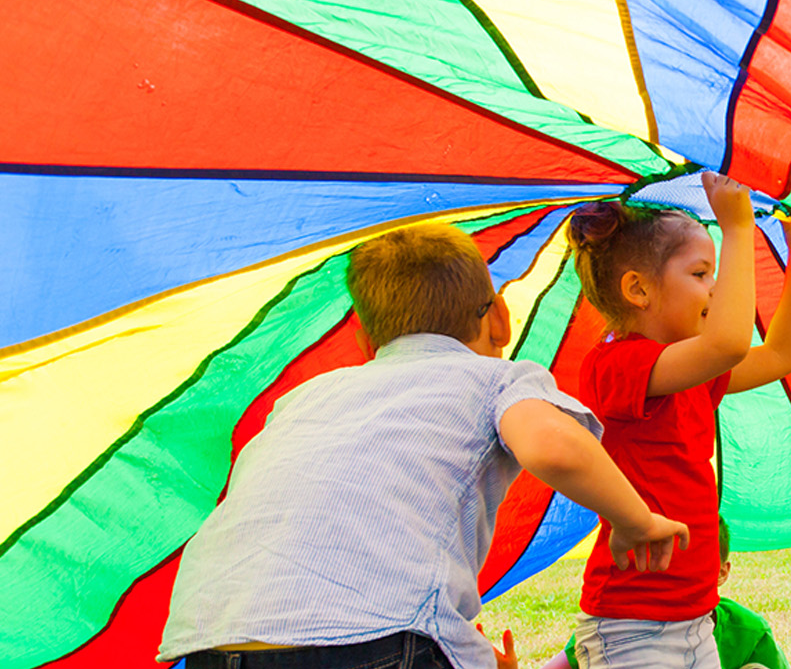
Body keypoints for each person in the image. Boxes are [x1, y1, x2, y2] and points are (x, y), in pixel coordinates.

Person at [156, 223, 688, 669]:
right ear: (500, 318)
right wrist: (635, 520)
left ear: (367, 342)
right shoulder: (493, 378)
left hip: (212, 637)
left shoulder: (304, 397)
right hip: (370, 641)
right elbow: (553, 448)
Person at [565, 172, 791, 669]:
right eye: (701, 274)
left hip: (694, 616)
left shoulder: (693, 373)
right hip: (632, 624)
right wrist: (736, 231)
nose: (715, 288)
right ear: (638, 289)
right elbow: (728, 342)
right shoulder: (616, 366)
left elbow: (779, 355)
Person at [542, 517, 788, 669]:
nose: (678, 581)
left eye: (694, 566)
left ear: (721, 573)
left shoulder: (749, 633)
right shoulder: (617, 628)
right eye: (665, 567)